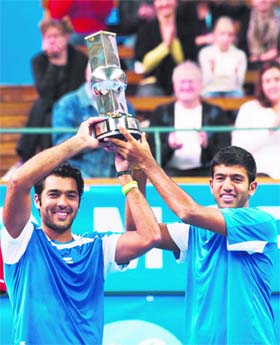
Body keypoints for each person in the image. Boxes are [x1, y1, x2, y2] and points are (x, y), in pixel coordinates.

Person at [108, 129, 278, 345]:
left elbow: (187, 211)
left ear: (252, 187)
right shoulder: (194, 230)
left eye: (236, 179)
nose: (227, 186)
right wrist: (133, 174)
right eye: (220, 178)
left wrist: (147, 161)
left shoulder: (260, 223)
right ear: (211, 184)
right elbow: (138, 233)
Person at [1, 117, 161, 344]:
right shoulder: (21, 242)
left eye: (71, 195)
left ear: (79, 201)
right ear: (37, 200)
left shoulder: (95, 248)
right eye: (54, 194)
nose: (63, 203)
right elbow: (17, 182)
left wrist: (129, 174)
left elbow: (150, 235)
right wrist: (78, 142)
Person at [2, 18, 88, 181]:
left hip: (72, 110)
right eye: (47, 37)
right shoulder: (39, 60)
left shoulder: (79, 59)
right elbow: (44, 92)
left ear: (66, 37)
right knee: (42, 107)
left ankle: (34, 161)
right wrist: (54, 63)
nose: (52, 40)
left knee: (48, 112)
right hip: (48, 108)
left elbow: (73, 94)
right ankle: (30, 161)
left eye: (55, 36)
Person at [51, 62, 136, 178]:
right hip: (79, 175)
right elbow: (60, 144)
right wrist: (94, 137)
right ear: (87, 74)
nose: (105, 80)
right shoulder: (67, 104)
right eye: (99, 75)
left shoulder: (125, 106)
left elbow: (132, 142)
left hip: (116, 175)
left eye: (109, 75)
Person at [148, 60, 231, 177]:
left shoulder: (216, 113)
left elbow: (225, 155)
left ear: (201, 84)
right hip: (169, 174)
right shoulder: (161, 113)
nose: (186, 86)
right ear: (174, 85)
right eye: (182, 82)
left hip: (207, 174)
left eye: (191, 82)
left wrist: (207, 145)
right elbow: (151, 156)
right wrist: (169, 147)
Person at [232, 60, 280, 179]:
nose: (273, 85)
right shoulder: (249, 109)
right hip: (260, 175)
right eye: (267, 81)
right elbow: (238, 148)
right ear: (261, 85)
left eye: (277, 79)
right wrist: (271, 129)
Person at [134, 0, 189, 96]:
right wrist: (165, 46)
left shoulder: (186, 27)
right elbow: (145, 65)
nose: (165, 3)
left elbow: (184, 62)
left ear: (176, 2)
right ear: (154, 4)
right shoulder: (146, 30)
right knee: (147, 94)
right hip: (153, 83)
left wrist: (173, 41)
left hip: (182, 82)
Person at [198, 16, 247, 98]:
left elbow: (239, 83)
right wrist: (212, 70)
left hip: (233, 90)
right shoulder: (205, 53)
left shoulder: (240, 55)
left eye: (230, 35)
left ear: (234, 37)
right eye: (222, 34)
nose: (226, 38)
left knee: (239, 95)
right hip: (210, 90)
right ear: (214, 34)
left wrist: (235, 74)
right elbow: (206, 82)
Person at [44, 0, 114, 46]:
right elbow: (56, 14)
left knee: (101, 44)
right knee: (61, 43)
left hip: (96, 31)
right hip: (71, 32)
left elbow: (105, 11)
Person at [246, 0, 280, 69]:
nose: (262, 0)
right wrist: (260, 57)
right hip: (250, 62)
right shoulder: (245, 17)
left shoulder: (278, 16)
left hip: (276, 60)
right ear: (252, 1)